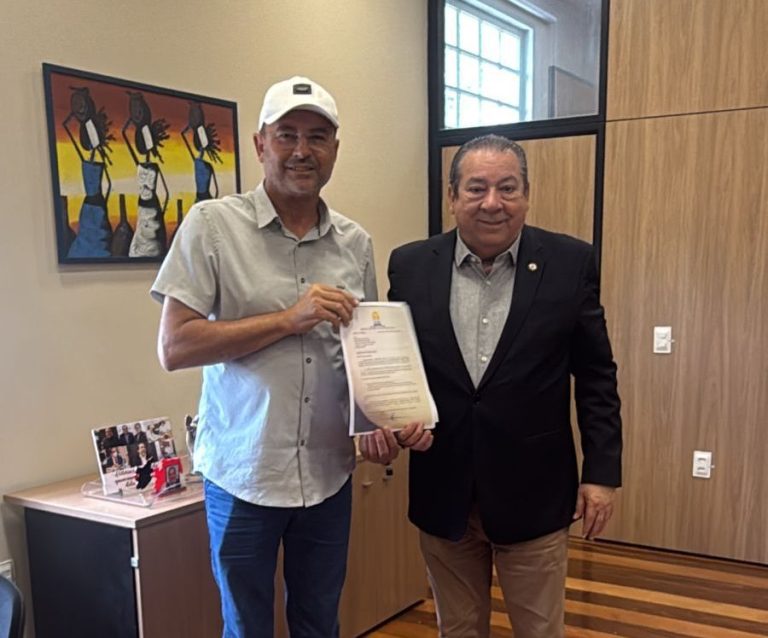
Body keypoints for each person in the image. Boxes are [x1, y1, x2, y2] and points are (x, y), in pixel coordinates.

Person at [151, 76, 387, 638]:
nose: (303, 150)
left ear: (335, 149)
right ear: (260, 145)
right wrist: (288, 319)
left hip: (328, 473)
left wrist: (378, 420)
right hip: (243, 474)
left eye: (317, 137)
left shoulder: (355, 242)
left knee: (319, 622)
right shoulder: (212, 226)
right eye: (287, 135)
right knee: (246, 626)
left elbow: (366, 351)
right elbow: (175, 346)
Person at [365, 134, 622, 638]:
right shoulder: (411, 265)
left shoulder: (570, 262)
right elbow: (398, 361)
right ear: (452, 196)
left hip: (536, 491)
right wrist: (389, 422)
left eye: (507, 188)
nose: (492, 202)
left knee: (539, 630)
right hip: (443, 488)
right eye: (476, 188)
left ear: (526, 194)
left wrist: (601, 473)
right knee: (458, 629)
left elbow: (596, 375)